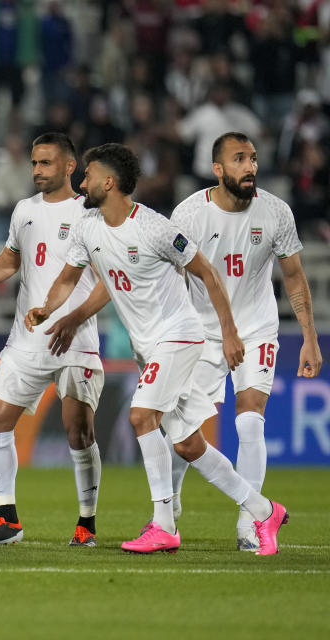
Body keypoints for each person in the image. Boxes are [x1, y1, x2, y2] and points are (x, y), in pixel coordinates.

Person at [26, 143, 288, 555]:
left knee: (142, 415)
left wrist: (230, 331)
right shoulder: (87, 226)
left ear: (109, 182)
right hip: (147, 346)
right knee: (186, 443)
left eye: (89, 175)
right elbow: (68, 279)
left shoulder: (154, 228)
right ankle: (263, 510)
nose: (82, 182)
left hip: (179, 334)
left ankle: (164, 524)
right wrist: (47, 308)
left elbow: (207, 273)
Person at [169, 132, 322, 550]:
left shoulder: (276, 212)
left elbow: (293, 276)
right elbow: (172, 277)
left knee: (249, 416)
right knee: (181, 428)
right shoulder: (188, 216)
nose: (250, 167)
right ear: (217, 169)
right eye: (239, 159)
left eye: (253, 158)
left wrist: (309, 337)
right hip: (202, 331)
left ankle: (250, 523)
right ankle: (168, 507)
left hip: (256, 329)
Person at [0, 133, 106, 547]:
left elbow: (107, 280)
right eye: (34, 163)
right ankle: (7, 520)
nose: (37, 170)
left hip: (75, 336)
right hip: (27, 337)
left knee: (79, 431)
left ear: (69, 167)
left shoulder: (90, 214)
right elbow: (12, 258)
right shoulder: (24, 210)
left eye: (46, 163)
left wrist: (75, 318)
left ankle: (86, 524)